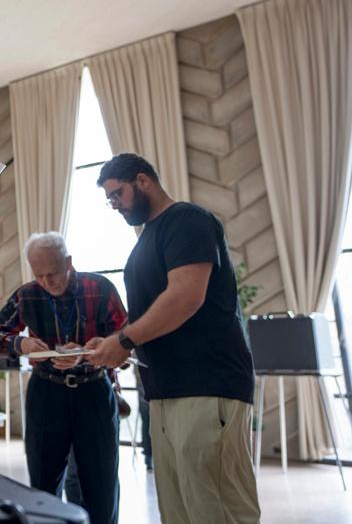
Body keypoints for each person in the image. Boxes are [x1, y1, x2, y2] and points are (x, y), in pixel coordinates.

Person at [86, 153, 259, 524]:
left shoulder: (187, 220)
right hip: (165, 389)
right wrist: (111, 341)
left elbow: (185, 296)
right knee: (179, 510)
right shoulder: (147, 238)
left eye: (117, 194)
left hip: (207, 382)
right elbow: (152, 308)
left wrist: (126, 340)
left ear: (143, 180)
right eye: (109, 200)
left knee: (216, 508)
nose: (114, 205)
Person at [0, 232, 127, 524]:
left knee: (101, 486)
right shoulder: (27, 294)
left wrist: (103, 344)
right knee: (43, 484)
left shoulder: (99, 288)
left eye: (54, 273)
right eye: (40, 275)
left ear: (69, 263)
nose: (48, 283)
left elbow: (127, 336)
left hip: (93, 390)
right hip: (46, 393)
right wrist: (20, 344)